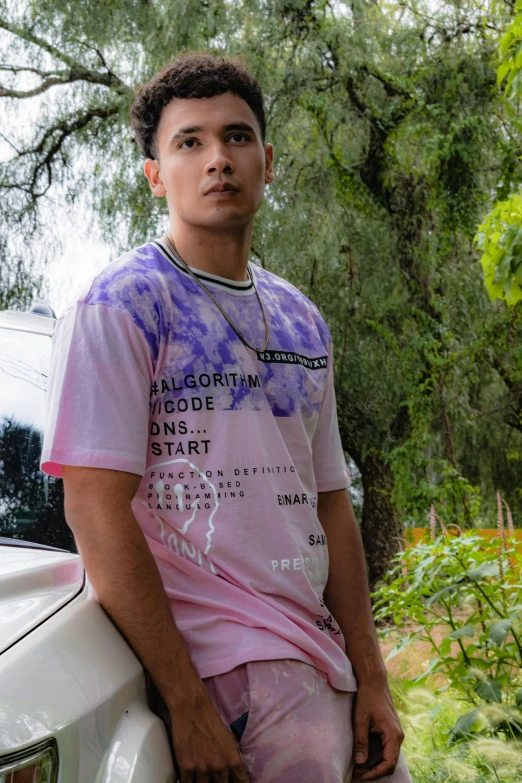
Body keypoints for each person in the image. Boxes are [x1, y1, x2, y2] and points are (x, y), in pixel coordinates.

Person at [41, 52, 413, 783]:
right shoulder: (120, 306)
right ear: (155, 175)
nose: (218, 159)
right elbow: (92, 506)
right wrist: (186, 702)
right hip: (221, 671)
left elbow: (332, 505)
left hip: (319, 660)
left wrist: (373, 678)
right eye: (189, 142)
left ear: (268, 162)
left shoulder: (303, 320)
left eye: (237, 138)